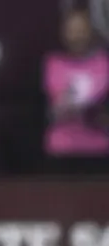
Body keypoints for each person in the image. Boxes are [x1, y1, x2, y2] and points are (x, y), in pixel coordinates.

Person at [42, 10, 109, 175]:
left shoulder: (104, 63)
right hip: (62, 149)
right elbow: (51, 109)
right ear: (63, 34)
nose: (77, 36)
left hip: (99, 150)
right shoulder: (53, 64)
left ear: (90, 32)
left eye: (81, 30)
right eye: (72, 30)